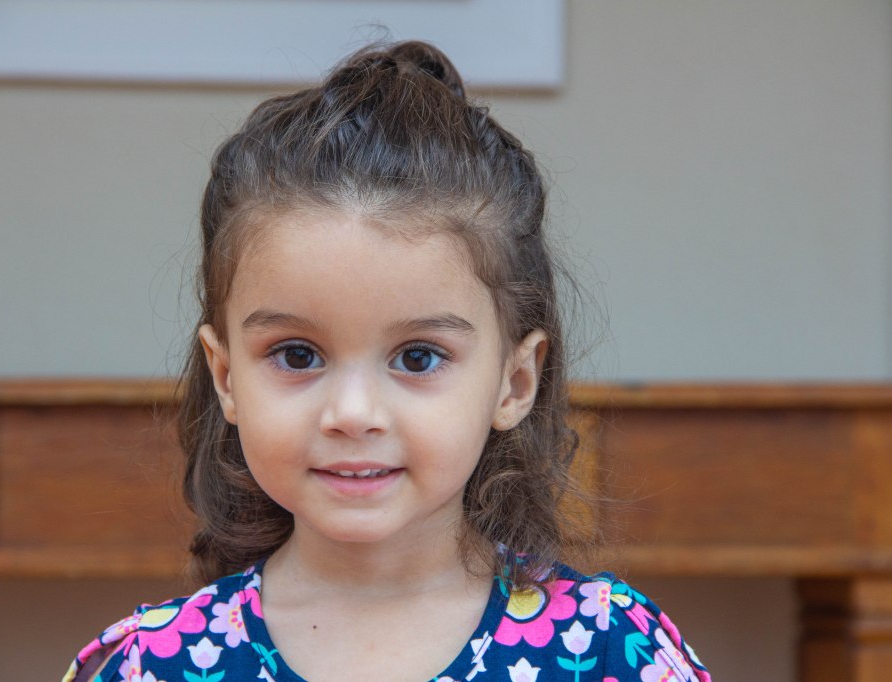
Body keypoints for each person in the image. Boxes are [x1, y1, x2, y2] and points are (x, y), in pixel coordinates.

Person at [65, 41, 711, 682]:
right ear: (226, 376)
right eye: (297, 354)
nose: (353, 413)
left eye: (418, 357)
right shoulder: (155, 663)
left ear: (514, 382)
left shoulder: (610, 650)